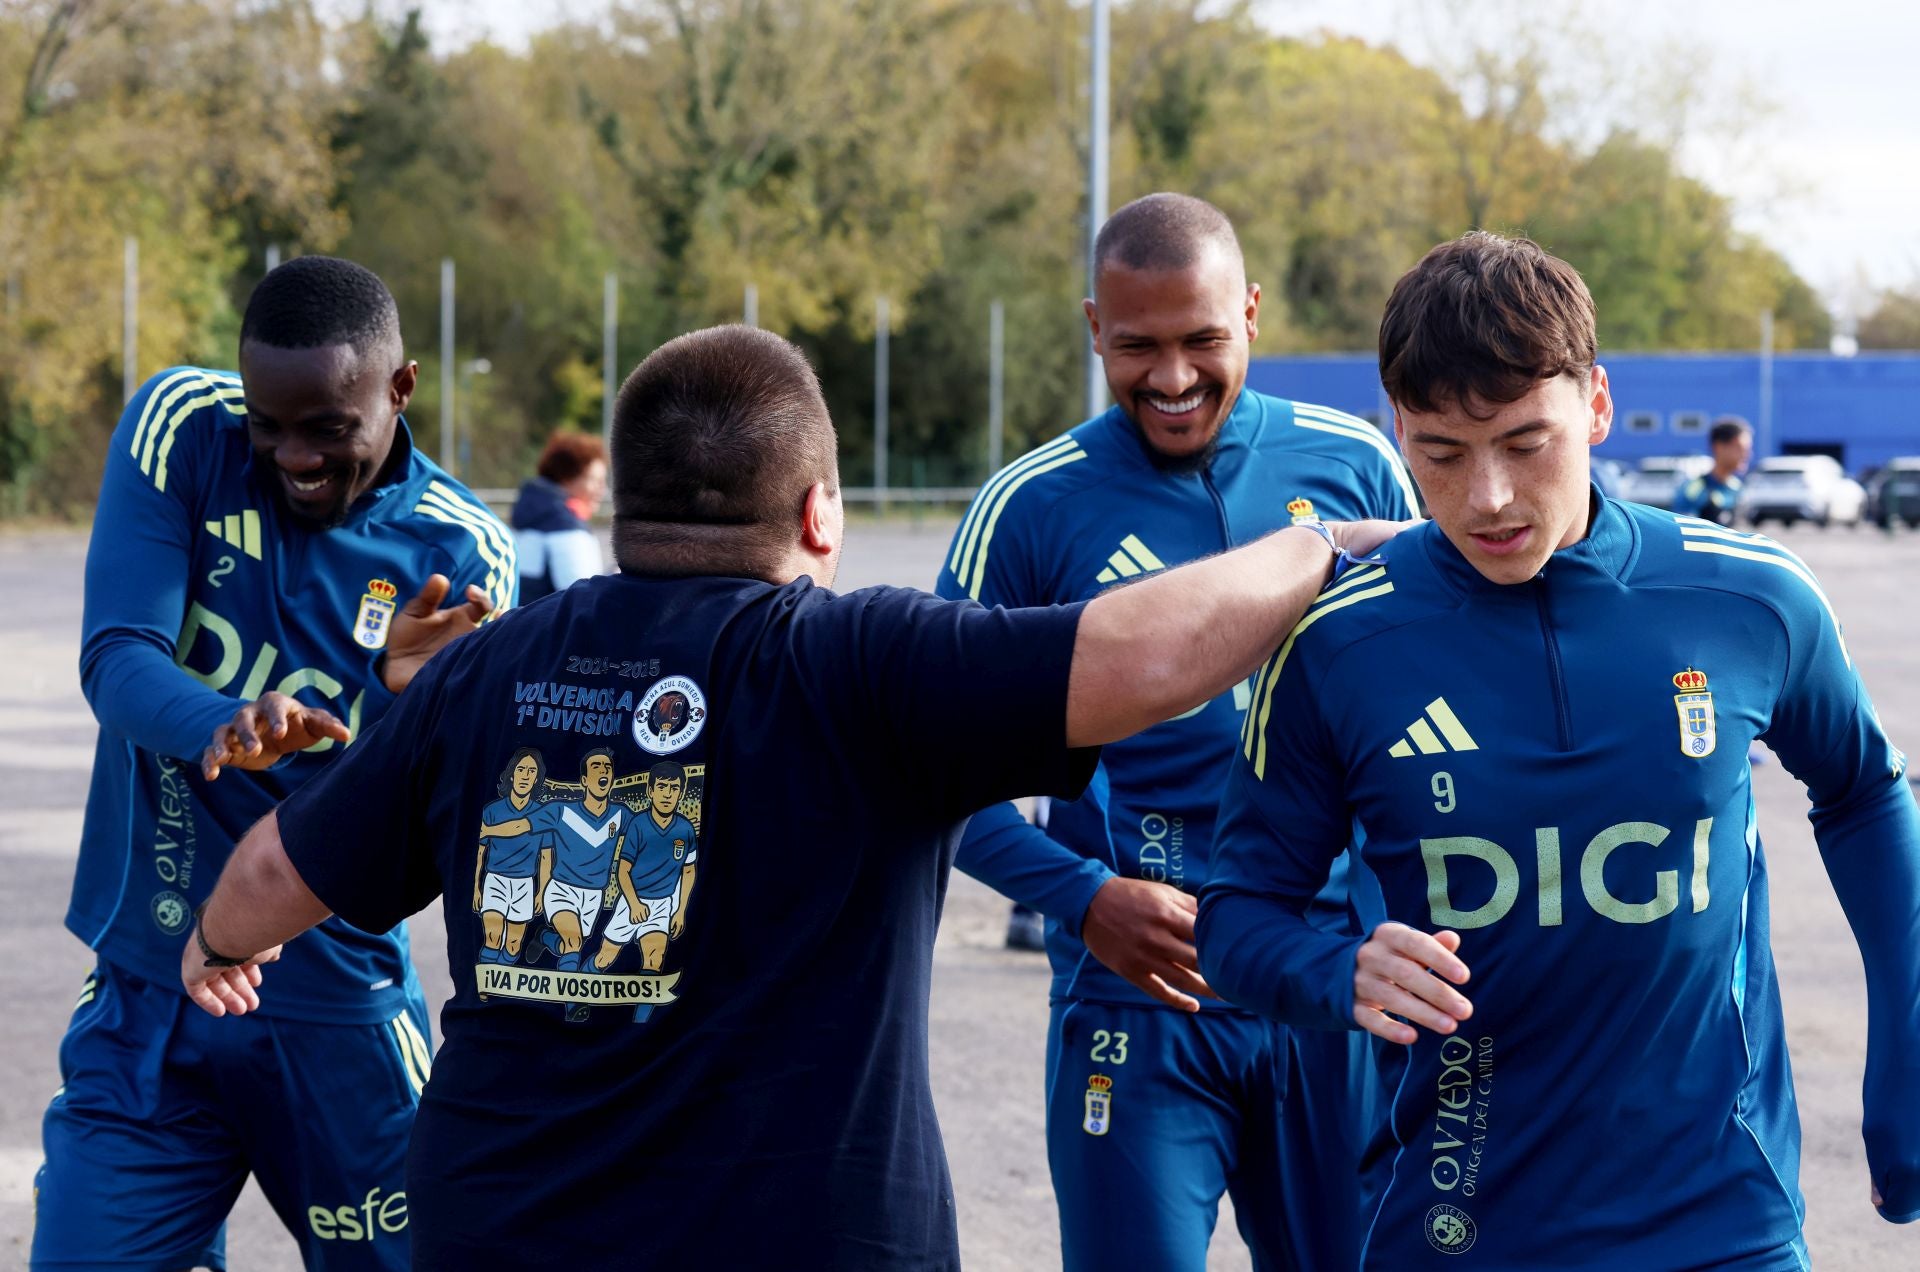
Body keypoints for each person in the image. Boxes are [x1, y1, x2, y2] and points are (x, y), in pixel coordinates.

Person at [176, 324, 1400, 1269]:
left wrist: (218, 946)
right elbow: (1140, 658)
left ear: (627, 512)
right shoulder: (864, 665)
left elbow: (279, 874)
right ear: (821, 512)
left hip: (500, 1226)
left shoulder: (487, 668)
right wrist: (1319, 551)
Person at [1199, 231, 1920, 1268]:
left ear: (1596, 405)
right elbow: (1236, 915)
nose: (1487, 496)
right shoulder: (1336, 645)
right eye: (1441, 453)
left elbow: (1862, 789)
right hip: (1456, 1228)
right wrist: (1333, 966)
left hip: (1724, 1227)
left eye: (1525, 442)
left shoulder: (1749, 599)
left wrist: (1905, 1039)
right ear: (1396, 427)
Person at [935, 192, 1416, 1271]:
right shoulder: (1029, 507)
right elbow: (926, 765)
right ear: (1093, 326)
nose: (1173, 377)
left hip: (1331, 985)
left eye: (1204, 339)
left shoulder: (1357, 468)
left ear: (1250, 313)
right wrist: (1085, 897)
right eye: (1139, 345)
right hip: (1141, 992)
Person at [34, 255, 514, 1270]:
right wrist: (223, 725)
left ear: (401, 389)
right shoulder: (183, 426)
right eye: (269, 424)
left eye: (326, 429)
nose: (291, 454)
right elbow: (116, 656)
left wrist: (398, 714)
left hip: (336, 1013)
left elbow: (438, 832)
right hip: (149, 988)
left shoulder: (465, 555)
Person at [510, 429, 607, 601]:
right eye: (595, 480)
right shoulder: (567, 530)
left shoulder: (528, 518)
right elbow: (585, 605)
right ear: (567, 478)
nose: (602, 490)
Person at [1671, 417, 1753, 525]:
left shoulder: (1737, 488)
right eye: (1740, 448)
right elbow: (1680, 530)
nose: (1746, 454)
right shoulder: (1694, 489)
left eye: (1748, 449)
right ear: (1719, 447)